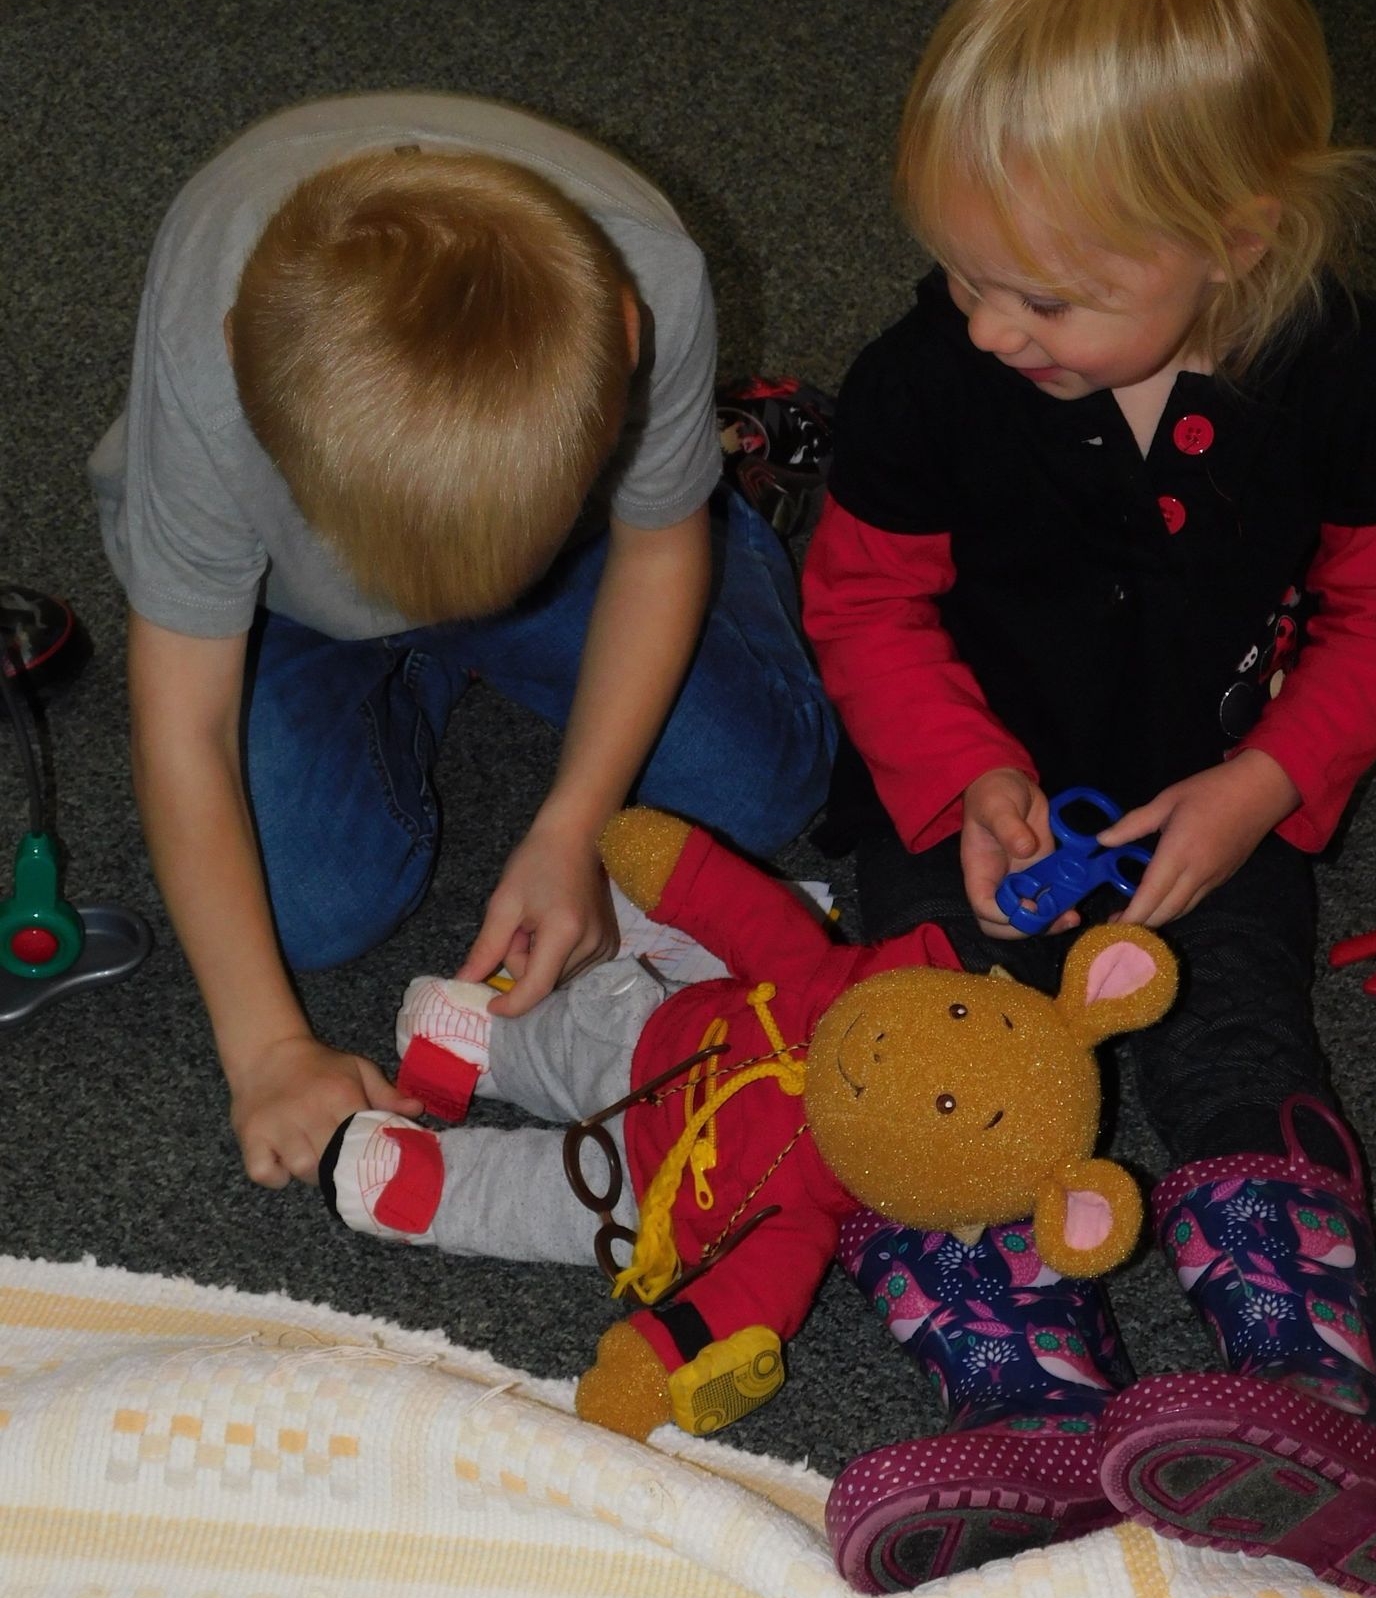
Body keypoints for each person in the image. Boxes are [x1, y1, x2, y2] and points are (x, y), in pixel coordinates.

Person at [802, 0, 1376, 1598]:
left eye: (1050, 296)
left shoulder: (1362, 384)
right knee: (926, 1031)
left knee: (1231, 1021)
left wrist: (1268, 785)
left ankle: (1302, 1387)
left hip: (1222, 801)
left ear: (1237, 237)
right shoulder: (924, 387)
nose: (993, 326)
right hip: (969, 798)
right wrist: (967, 775)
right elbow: (864, 606)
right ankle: (1020, 1390)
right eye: (962, 276)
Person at [90, 93, 835, 1191]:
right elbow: (181, 723)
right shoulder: (217, 367)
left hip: (575, 552)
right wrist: (266, 1053)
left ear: (623, 342)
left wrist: (578, 823)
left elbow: (653, 553)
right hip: (293, 599)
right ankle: (418, 664)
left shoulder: (649, 285)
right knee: (303, 913)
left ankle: (738, 482)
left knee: (762, 791)